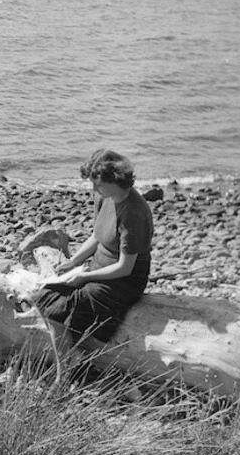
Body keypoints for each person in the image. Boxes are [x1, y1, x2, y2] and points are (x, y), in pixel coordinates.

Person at [36, 148, 153, 371]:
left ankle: (67, 368)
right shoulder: (104, 196)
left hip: (125, 280)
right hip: (99, 267)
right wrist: (74, 262)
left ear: (115, 180)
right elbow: (97, 235)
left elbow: (125, 267)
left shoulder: (134, 212)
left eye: (97, 183)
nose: (93, 189)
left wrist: (85, 276)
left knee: (58, 308)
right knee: (45, 295)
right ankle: (72, 357)